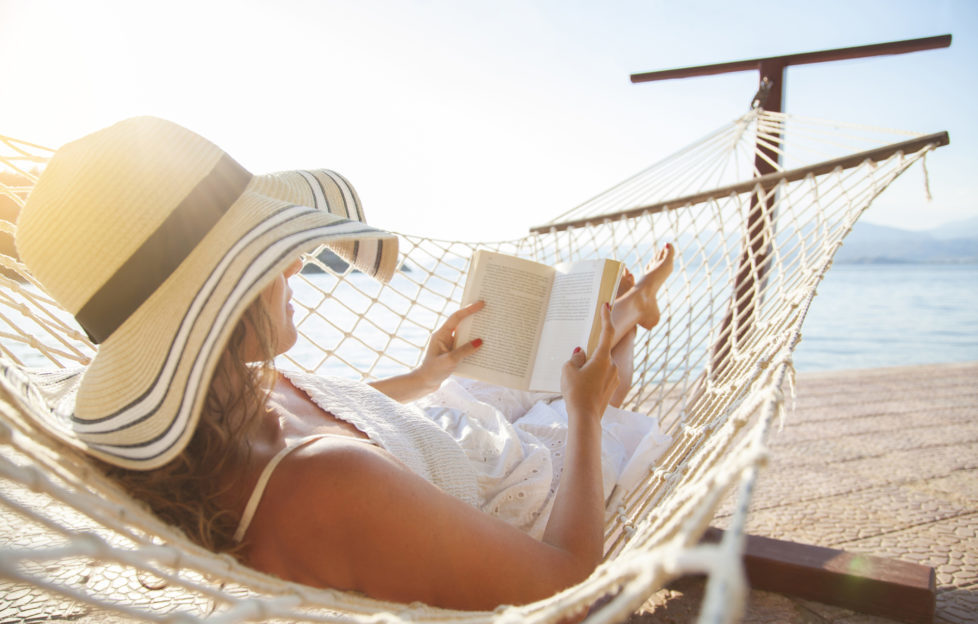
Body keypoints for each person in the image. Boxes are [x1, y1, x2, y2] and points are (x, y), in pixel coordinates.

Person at [16, 117, 674, 612]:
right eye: (269, 250)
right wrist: (587, 417)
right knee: (584, 398)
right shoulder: (325, 486)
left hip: (429, 425)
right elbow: (567, 590)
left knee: (514, 372)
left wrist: (423, 376)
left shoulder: (208, 403)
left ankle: (616, 317)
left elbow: (333, 409)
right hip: (509, 487)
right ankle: (625, 321)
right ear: (216, 296)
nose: (298, 261)